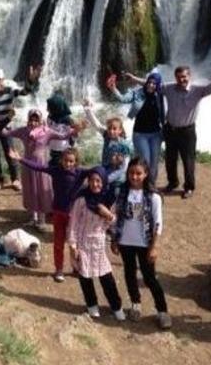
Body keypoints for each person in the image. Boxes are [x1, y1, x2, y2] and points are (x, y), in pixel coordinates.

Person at [126, 66, 211, 199]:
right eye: (179, 77)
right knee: (170, 159)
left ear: (189, 76)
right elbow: (151, 83)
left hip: (187, 131)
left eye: (184, 76)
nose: (182, 79)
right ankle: (172, 182)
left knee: (188, 161)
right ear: (176, 78)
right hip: (170, 129)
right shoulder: (169, 88)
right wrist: (134, 79)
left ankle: (189, 187)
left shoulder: (198, 90)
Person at [11, 147, 91, 283]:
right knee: (58, 243)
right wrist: (20, 159)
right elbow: (38, 167)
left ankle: (76, 267)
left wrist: (114, 165)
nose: (68, 164)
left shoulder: (80, 173)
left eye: (71, 161)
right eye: (66, 160)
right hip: (58, 212)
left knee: (75, 243)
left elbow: (98, 171)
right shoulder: (56, 170)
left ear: (76, 162)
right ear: (61, 160)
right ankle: (59, 269)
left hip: (74, 215)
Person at [110, 157, 171, 329]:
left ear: (145, 174)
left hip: (145, 244)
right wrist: (114, 240)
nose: (134, 177)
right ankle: (135, 304)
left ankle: (162, 311)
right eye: (131, 173)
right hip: (125, 242)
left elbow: (158, 223)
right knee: (129, 274)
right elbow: (115, 218)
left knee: (150, 277)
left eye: (138, 173)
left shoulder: (153, 197)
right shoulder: (121, 193)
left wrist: (154, 247)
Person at [3, 109, 77, 228]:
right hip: (27, 165)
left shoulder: (46, 131)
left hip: (41, 166)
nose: (33, 123)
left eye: (36, 120)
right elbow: (6, 133)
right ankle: (33, 218)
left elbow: (62, 136)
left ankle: (41, 220)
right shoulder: (23, 131)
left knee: (41, 191)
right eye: (31, 120)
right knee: (30, 190)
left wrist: (75, 130)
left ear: (40, 120)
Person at [68, 167, 125, 320]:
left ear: (104, 182)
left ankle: (116, 306)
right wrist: (73, 246)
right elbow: (73, 224)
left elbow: (113, 224)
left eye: (98, 181)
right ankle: (92, 305)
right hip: (82, 243)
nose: (95, 184)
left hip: (99, 245)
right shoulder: (81, 199)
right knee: (85, 277)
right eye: (92, 180)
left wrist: (109, 215)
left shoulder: (108, 200)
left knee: (106, 277)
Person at [108, 71, 165, 185]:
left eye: (154, 83)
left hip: (156, 134)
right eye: (149, 82)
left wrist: (134, 78)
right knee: (146, 161)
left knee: (154, 163)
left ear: (157, 85)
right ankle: (144, 185)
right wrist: (113, 88)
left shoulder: (160, 94)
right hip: (140, 134)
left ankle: (151, 185)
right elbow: (123, 99)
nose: (151, 85)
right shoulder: (137, 93)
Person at [83, 99, 132, 170]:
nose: (111, 131)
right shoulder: (106, 135)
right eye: (109, 128)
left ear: (120, 130)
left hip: (117, 173)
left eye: (114, 129)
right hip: (105, 168)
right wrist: (88, 110)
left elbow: (125, 165)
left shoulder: (123, 145)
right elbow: (97, 125)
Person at [46, 89, 75, 167]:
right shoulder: (50, 117)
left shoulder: (67, 120)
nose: (47, 109)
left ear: (56, 108)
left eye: (49, 108)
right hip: (53, 148)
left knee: (63, 167)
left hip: (64, 149)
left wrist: (71, 145)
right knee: (54, 167)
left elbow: (72, 134)